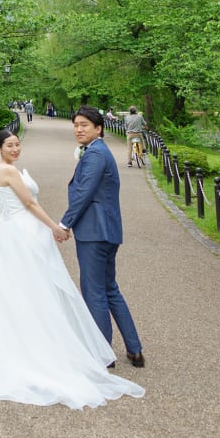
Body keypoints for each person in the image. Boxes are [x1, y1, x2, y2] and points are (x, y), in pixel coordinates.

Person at [0, 128, 144, 408]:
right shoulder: (7, 171)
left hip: (19, 232)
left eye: (18, 144)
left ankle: (110, 347)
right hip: (19, 234)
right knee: (30, 289)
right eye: (10, 145)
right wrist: (57, 226)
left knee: (29, 288)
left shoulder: (8, 168)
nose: (15, 149)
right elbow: (29, 203)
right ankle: (56, 345)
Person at [59, 105, 145, 367]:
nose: (78, 129)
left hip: (95, 233)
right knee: (109, 289)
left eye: (84, 125)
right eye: (76, 125)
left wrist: (65, 224)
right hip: (106, 231)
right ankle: (134, 349)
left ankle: (102, 354)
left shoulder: (96, 154)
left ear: (99, 128)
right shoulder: (98, 151)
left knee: (94, 291)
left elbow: (84, 192)